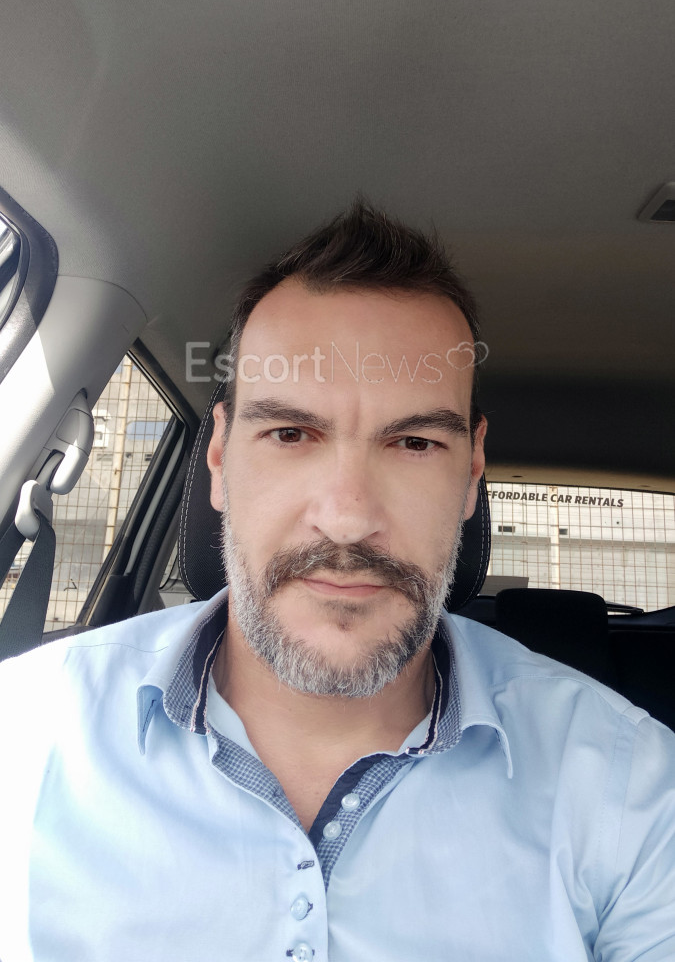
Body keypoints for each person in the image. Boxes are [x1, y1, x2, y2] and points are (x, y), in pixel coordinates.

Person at [0, 202, 673, 962]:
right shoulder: (24, 734)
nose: (348, 519)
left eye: (413, 442)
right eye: (290, 434)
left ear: (471, 474)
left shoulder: (628, 786)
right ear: (219, 459)